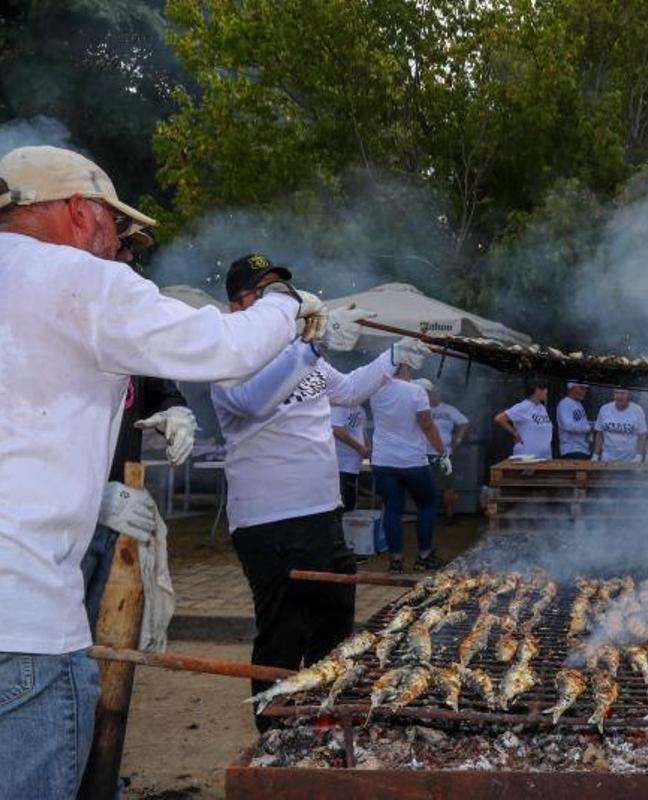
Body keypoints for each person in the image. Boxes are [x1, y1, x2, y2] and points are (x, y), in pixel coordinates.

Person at [0, 145, 324, 797]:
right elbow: (225, 349)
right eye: (115, 228)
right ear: (77, 209)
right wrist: (286, 304)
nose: (119, 245)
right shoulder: (74, 279)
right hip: (22, 615)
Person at [210, 253, 391, 731]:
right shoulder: (229, 358)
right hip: (269, 521)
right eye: (265, 294)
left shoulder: (303, 354)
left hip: (322, 512)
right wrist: (310, 347)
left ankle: (320, 721)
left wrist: (394, 359)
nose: (280, 305)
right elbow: (252, 402)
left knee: (334, 625)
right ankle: (273, 736)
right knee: (282, 634)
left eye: (281, 294)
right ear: (238, 307)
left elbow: (350, 389)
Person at [82, 376, 196, 634]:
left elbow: (162, 393)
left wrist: (175, 412)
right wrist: (88, 495)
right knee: (51, 640)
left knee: (93, 637)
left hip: (117, 515)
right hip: (52, 532)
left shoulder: (128, 344)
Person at [370, 348, 451, 573]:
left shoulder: (375, 389)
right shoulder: (416, 391)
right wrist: (442, 452)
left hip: (383, 461)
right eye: (411, 365)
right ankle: (423, 556)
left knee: (393, 509)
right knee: (426, 504)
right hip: (412, 461)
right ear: (405, 366)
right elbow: (427, 425)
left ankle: (395, 561)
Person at [415, 379, 470, 518]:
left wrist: (457, 440)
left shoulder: (448, 409)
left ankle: (449, 515)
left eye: (436, 393)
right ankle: (426, 514)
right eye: (431, 393)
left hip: (444, 454)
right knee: (425, 486)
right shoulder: (421, 410)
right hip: (423, 454)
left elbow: (465, 423)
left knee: (448, 485)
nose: (434, 395)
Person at [494, 379, 553, 459]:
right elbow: (500, 418)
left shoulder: (542, 408)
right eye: (545, 389)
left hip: (544, 457)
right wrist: (514, 433)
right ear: (537, 390)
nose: (547, 391)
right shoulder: (524, 406)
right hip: (526, 458)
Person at [593, 389, 648, 462]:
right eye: (616, 393)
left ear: (629, 395)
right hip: (607, 459)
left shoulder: (637, 410)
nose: (619, 396)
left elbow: (642, 435)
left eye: (622, 393)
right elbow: (599, 433)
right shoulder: (604, 409)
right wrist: (596, 455)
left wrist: (639, 456)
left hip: (629, 461)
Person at [331, 404, 369, 511]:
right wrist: (360, 448)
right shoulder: (338, 407)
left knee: (350, 500)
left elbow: (362, 431)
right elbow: (337, 430)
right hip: (340, 464)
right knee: (341, 503)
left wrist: (367, 449)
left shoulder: (359, 408)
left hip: (353, 465)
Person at [556, 382, 592, 460]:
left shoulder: (579, 404)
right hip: (571, 450)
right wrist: (588, 427)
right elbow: (567, 425)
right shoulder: (564, 403)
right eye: (582, 388)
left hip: (583, 449)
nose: (584, 391)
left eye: (586, 389)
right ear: (571, 387)